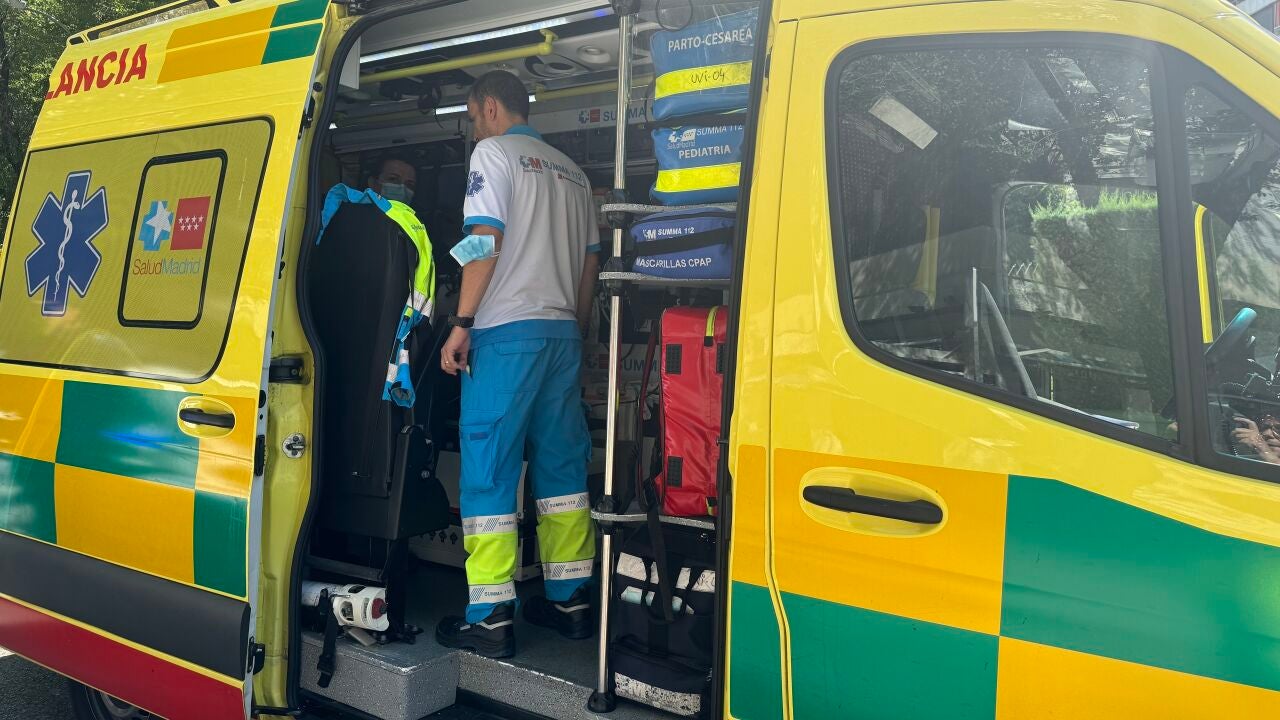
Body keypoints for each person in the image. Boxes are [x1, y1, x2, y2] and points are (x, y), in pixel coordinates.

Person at [434, 70, 601, 658]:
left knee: (490, 469)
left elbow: (484, 237)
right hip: (562, 334)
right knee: (562, 471)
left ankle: (490, 615)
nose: (473, 129)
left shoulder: (493, 153)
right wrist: (577, 331)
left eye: (471, 117)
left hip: (505, 335)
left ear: (489, 107)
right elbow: (589, 264)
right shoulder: (574, 174)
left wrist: (461, 322)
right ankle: (571, 600)